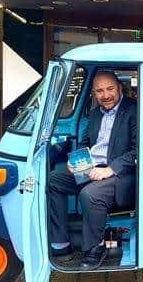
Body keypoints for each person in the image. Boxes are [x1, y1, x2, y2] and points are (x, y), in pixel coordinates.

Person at [47, 70, 137, 269]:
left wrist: (110, 169)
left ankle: (95, 247)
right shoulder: (95, 114)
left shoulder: (133, 110)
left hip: (120, 174)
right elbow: (87, 143)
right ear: (94, 94)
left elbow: (138, 149)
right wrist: (75, 160)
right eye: (99, 91)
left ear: (120, 88)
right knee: (53, 179)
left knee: (90, 194)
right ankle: (61, 242)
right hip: (91, 167)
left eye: (110, 89)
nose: (105, 95)